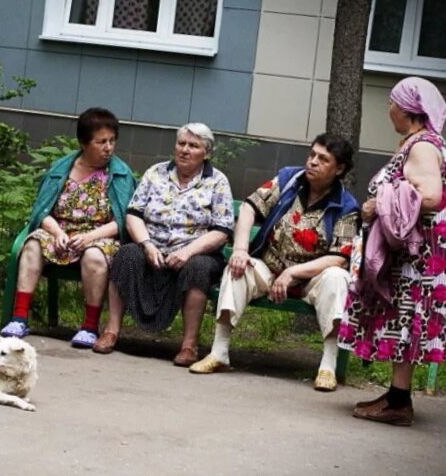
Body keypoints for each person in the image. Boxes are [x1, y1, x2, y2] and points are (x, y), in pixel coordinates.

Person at [189, 133, 360, 391]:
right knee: (237, 268)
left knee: (337, 278)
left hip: (311, 279)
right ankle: (219, 353)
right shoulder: (289, 179)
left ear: (339, 169)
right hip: (269, 267)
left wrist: (294, 273)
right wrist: (240, 249)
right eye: (312, 154)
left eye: (323, 159)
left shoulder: (346, 205)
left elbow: (340, 257)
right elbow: (249, 208)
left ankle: (328, 366)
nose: (313, 162)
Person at [338, 77, 446, 426]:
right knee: (404, 320)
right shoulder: (419, 143)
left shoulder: (423, 146)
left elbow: (430, 195)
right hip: (415, 252)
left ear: (406, 108)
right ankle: (397, 396)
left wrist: (379, 203)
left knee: (407, 319)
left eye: (391, 104)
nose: (389, 111)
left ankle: (399, 403)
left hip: (416, 257)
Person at [92, 123, 234, 367]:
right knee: (126, 254)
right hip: (153, 246)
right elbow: (133, 214)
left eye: (193, 146)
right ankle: (111, 331)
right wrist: (147, 244)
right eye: (181, 143)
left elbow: (222, 231)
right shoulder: (156, 172)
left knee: (199, 269)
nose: (185, 150)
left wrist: (187, 252)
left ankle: (189, 345)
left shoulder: (217, 181)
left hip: (195, 252)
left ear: (207, 153)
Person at [0, 107, 137, 347]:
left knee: (95, 255)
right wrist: (57, 233)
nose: (108, 147)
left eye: (112, 141)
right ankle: (19, 318)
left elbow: (124, 221)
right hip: (60, 232)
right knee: (32, 245)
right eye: (101, 142)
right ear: (84, 143)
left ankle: (90, 327)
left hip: (101, 236)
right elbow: (42, 212)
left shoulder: (120, 175)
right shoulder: (60, 170)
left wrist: (89, 237)